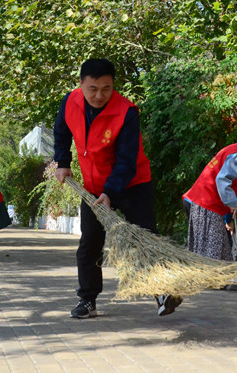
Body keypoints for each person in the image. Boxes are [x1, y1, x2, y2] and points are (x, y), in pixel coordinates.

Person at [54, 58, 179, 319]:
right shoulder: (70, 102)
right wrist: (63, 162)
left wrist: (110, 193)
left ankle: (164, 291)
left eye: (107, 89)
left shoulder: (126, 112)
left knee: (146, 240)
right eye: (93, 89)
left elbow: (126, 160)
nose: (100, 95)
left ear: (114, 86)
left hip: (132, 184)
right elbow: (61, 132)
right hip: (92, 188)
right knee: (89, 243)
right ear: (81, 84)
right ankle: (87, 300)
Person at [183, 126, 237, 263]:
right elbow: (222, 180)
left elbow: (227, 186)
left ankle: (222, 281)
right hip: (205, 204)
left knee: (219, 247)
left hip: (205, 203)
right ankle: (212, 283)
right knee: (211, 251)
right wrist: (233, 203)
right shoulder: (236, 154)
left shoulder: (234, 150)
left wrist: (229, 215)